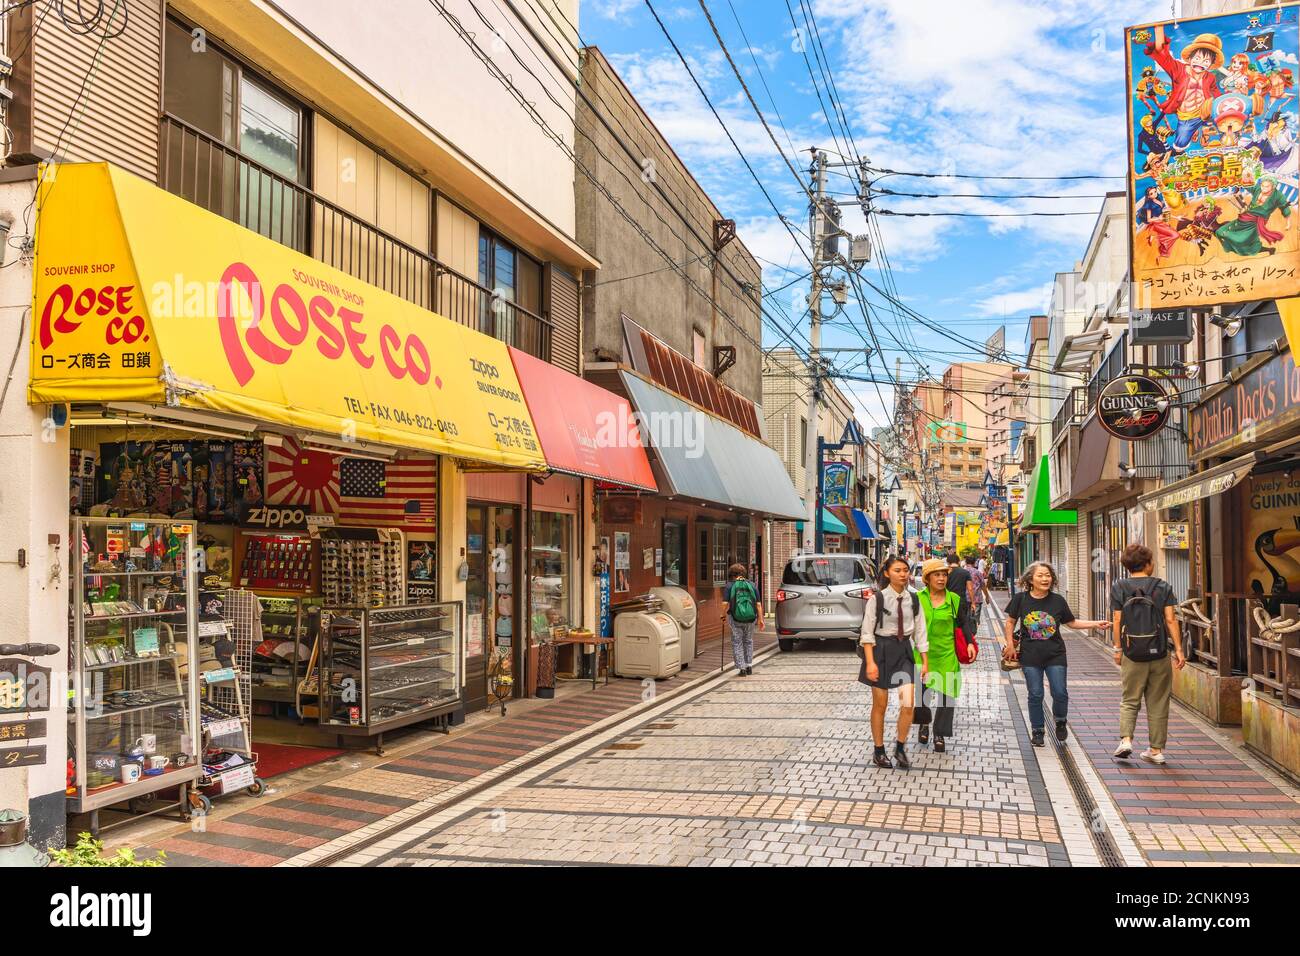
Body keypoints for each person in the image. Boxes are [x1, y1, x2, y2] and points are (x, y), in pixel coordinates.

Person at [1003, 561, 1111, 747]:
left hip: (1055, 654)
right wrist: (1009, 645)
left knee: (1060, 692)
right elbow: (1010, 622)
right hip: (1030, 655)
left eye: (1048, 575)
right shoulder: (1020, 599)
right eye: (1040, 575)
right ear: (1030, 579)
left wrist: (1095, 624)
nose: (1045, 578)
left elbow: (1072, 623)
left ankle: (1060, 720)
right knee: (1035, 694)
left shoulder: (1058, 601)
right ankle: (1038, 731)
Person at [1111, 544, 1186, 764]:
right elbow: (1171, 620)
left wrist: (1117, 649)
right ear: (1148, 563)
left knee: (1130, 698)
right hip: (1159, 652)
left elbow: (1117, 620)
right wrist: (1179, 650)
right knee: (1159, 701)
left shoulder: (1119, 587)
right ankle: (1156, 750)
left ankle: (1126, 740)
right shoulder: (1162, 586)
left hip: (1132, 652)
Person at [860, 556, 929, 770]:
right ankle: (879, 750)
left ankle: (900, 747)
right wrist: (870, 663)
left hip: (904, 652)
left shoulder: (914, 599)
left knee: (908, 703)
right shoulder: (877, 599)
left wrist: (924, 661)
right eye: (898, 570)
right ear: (887, 573)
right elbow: (867, 633)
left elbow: (920, 631)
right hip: (880, 650)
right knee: (880, 704)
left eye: (906, 570)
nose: (903, 574)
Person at [915, 558, 964, 753]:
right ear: (927, 578)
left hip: (946, 653)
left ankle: (939, 733)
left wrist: (969, 643)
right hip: (922, 653)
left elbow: (963, 623)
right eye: (937, 575)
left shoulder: (954, 599)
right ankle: (924, 723)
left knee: (947, 696)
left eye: (944, 575)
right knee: (921, 695)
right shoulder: (917, 598)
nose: (942, 578)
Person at [722, 563, 763, 676]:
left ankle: (742, 668)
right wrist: (761, 619)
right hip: (751, 618)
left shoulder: (730, 585)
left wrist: (723, 615)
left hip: (735, 618)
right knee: (748, 641)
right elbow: (758, 604)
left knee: (737, 642)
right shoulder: (752, 585)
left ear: (732, 574)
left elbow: (725, 603)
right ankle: (749, 665)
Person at [945, 552, 973, 621]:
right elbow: (970, 589)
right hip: (961, 601)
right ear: (958, 561)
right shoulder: (965, 572)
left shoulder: (945, 572)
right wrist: (973, 603)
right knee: (962, 623)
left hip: (948, 601)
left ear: (948, 562)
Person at [966, 555, 987, 621]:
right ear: (975, 563)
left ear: (966, 563)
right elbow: (983, 586)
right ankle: (974, 630)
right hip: (976, 599)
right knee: (975, 620)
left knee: (966, 620)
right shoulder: (978, 572)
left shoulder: (962, 572)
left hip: (965, 599)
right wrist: (987, 596)